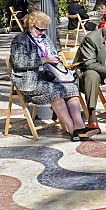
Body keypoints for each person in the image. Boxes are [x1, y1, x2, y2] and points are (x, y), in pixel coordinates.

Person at [11, 11, 94, 141]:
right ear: (31, 26)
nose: (43, 32)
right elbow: (19, 62)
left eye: (45, 29)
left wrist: (55, 58)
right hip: (30, 79)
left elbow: (51, 54)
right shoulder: (20, 40)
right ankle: (72, 129)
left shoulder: (44, 38)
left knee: (72, 88)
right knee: (56, 91)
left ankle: (80, 126)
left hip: (49, 76)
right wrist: (44, 59)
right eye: (40, 29)